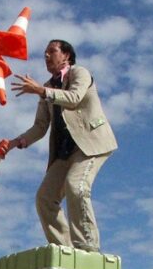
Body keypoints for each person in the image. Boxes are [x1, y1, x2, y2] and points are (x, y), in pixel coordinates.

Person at [7, 39, 117, 253]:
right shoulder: (47, 87)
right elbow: (40, 126)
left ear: (66, 55)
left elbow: (74, 98)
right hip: (64, 152)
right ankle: (64, 251)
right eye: (45, 53)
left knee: (76, 186)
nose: (47, 56)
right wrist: (15, 142)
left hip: (90, 144)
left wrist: (41, 91)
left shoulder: (80, 73)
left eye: (52, 51)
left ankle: (87, 246)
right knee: (45, 198)